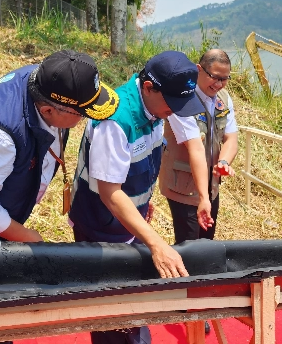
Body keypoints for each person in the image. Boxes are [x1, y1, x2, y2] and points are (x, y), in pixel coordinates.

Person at [68, 50, 206, 344]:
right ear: (148, 87)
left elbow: (139, 164)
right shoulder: (116, 122)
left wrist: (143, 200)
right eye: (172, 103)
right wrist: (156, 243)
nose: (175, 111)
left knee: (131, 307)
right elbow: (110, 192)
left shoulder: (155, 109)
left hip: (126, 221)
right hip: (99, 227)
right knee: (111, 315)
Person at [0, 50, 119, 243]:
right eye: (81, 113)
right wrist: (27, 236)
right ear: (48, 110)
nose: (83, 119)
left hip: (3, 206)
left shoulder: (46, 82)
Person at [160, 49, 238, 244]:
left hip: (211, 186)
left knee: (206, 243)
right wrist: (203, 198)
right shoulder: (182, 100)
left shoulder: (224, 99)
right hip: (184, 188)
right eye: (215, 77)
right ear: (198, 70)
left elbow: (231, 138)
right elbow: (195, 148)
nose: (219, 84)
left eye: (225, 79)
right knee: (189, 245)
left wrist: (223, 162)